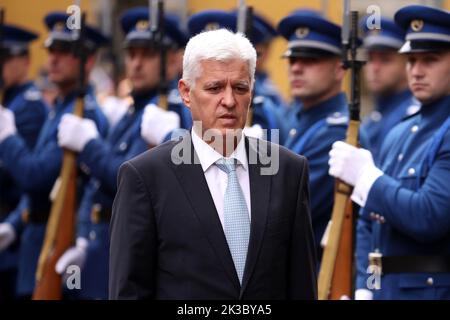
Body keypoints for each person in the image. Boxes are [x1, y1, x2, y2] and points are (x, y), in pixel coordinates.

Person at [109, 29, 317, 300]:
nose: (229, 101)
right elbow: (130, 291)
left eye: (240, 88)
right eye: (214, 88)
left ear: (251, 92)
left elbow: (301, 285)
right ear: (186, 92)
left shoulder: (287, 170)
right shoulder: (146, 177)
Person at [54, 6, 192, 300]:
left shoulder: (169, 115)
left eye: (147, 55)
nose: (137, 63)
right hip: (102, 242)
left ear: (171, 63)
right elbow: (92, 184)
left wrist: (90, 145)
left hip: (132, 250)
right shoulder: (133, 112)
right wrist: (81, 235)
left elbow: (132, 181)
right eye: (132, 54)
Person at [329, 5, 450, 300]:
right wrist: (363, 286)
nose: (416, 70)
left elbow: (429, 216)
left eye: (429, 60)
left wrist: (367, 178)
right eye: (411, 60)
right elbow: (369, 219)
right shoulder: (399, 132)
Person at [0, 11, 109, 298]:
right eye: (52, 50)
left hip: (59, 246)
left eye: (66, 52)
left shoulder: (83, 116)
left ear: (87, 61)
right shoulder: (60, 109)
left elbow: (36, 177)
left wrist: (8, 138)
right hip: (35, 243)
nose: (54, 59)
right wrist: (14, 223)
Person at [277, 9, 348, 258]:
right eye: (293, 59)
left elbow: (285, 209)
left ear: (339, 69)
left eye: (310, 60)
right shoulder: (301, 120)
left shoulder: (337, 132)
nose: (296, 68)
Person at [0, 23, 48, 300]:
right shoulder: (12, 102)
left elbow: (27, 173)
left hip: (17, 229)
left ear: (25, 61)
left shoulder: (26, 105)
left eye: (6, 58)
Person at [187, 9, 283, 141]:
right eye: (214, 89)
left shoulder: (261, 105)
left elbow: (277, 155)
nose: (228, 101)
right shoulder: (182, 97)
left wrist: (255, 152)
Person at [361, 16, 420, 158]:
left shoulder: (412, 116)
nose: (374, 68)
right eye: (370, 59)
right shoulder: (375, 117)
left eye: (385, 60)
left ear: (407, 63)